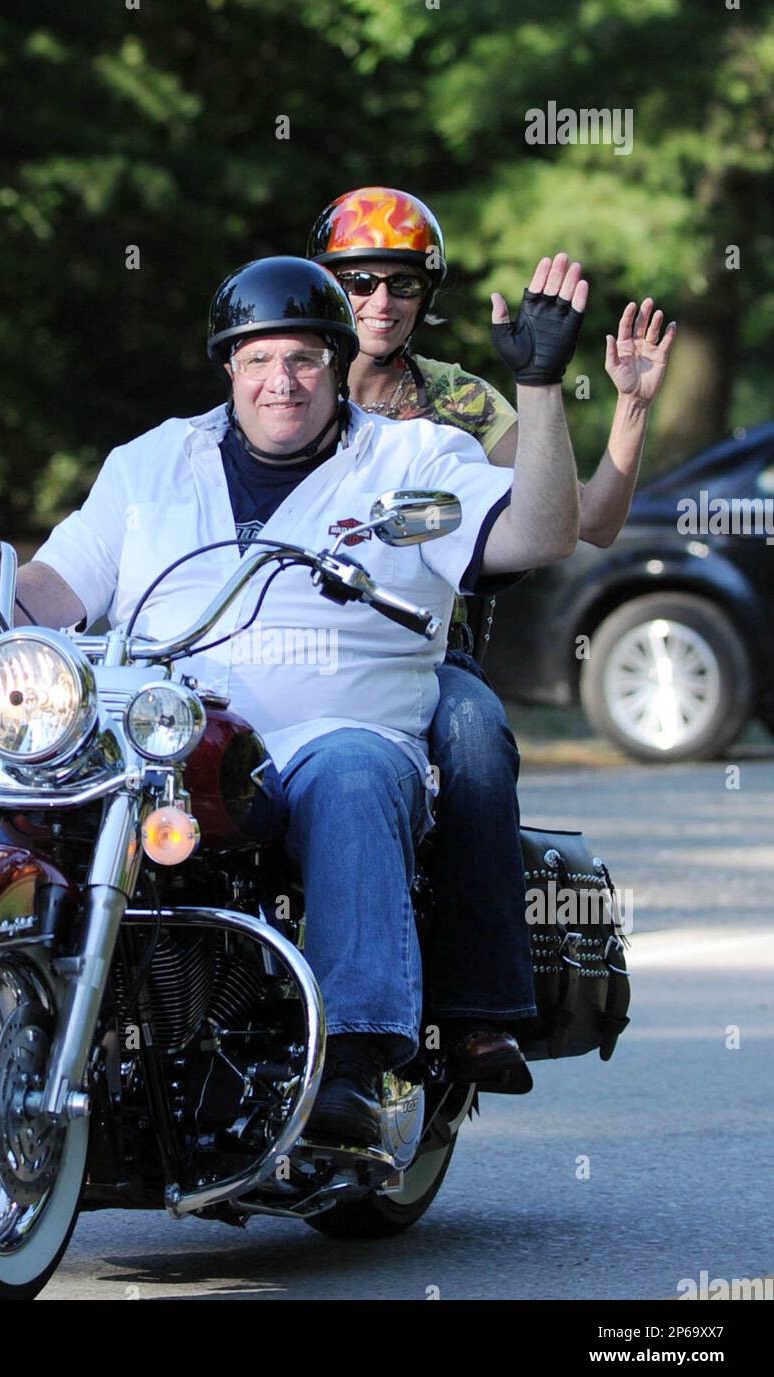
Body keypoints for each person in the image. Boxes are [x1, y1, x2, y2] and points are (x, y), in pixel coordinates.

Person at [0, 255, 585, 1147]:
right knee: (12, 767)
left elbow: (542, 531)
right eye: (258, 360)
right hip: (159, 736)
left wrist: (538, 385)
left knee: (352, 771)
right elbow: (54, 591)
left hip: (330, 734)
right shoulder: (151, 463)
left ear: (338, 364)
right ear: (228, 365)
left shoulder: (416, 459)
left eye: (303, 359)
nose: (281, 382)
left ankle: (353, 1062)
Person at [308, 187, 676, 1078]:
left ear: (426, 295)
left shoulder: (461, 405)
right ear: (323, 288)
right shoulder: (284, 387)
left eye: (400, 283)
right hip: (279, 644)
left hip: (423, 650)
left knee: (472, 736)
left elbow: (583, 522)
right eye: (356, 282)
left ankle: (479, 1009)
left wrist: (628, 408)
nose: (378, 302)